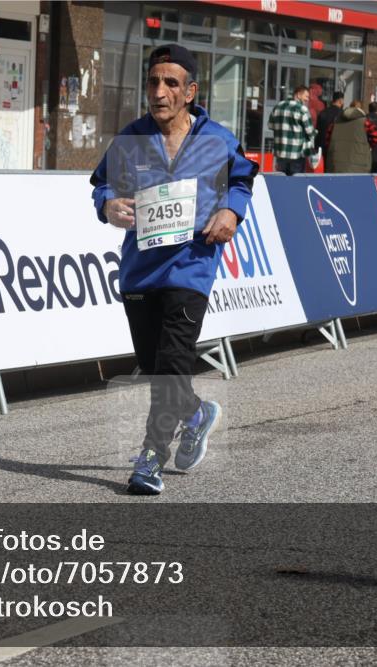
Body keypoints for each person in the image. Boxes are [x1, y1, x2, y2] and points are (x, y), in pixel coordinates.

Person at [90, 44, 256, 495]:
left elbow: (243, 180)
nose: (159, 92)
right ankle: (197, 413)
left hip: (191, 268)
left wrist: (232, 214)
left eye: (170, 83)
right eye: (153, 82)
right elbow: (101, 184)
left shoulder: (216, 139)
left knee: (171, 362)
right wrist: (108, 205)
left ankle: (150, 458)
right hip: (141, 271)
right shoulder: (131, 138)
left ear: (190, 92)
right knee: (154, 365)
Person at [268, 84, 315, 175]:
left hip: (280, 153)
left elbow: (270, 125)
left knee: (282, 182)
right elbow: (310, 131)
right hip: (296, 154)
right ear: (298, 95)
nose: (308, 99)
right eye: (306, 96)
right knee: (296, 183)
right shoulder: (302, 109)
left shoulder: (278, 106)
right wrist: (315, 132)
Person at [324, 100, 377, 173]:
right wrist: (366, 147)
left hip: (335, 165)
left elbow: (327, 141)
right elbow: (376, 138)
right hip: (360, 164)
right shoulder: (365, 122)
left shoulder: (335, 122)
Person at [315, 90, 344, 155]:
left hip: (322, 145)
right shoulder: (342, 114)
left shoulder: (323, 112)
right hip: (335, 147)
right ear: (341, 100)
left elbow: (317, 130)